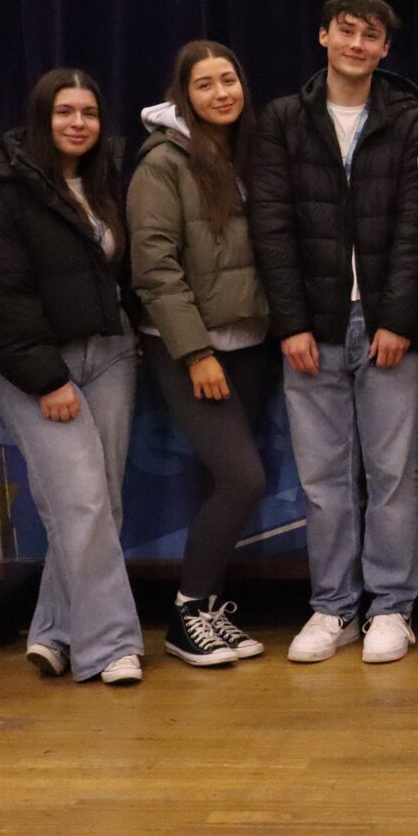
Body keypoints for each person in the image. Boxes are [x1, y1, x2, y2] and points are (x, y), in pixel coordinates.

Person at [250, 0, 418, 666]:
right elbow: (270, 227)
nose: (358, 45)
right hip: (313, 332)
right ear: (324, 36)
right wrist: (292, 322)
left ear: (385, 49)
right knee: (324, 481)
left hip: (387, 330)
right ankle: (334, 607)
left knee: (391, 475)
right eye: (347, 31)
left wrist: (398, 318)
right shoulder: (283, 121)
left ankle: (392, 607)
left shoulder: (411, 123)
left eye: (372, 36)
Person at [0, 69, 144, 686]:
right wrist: (47, 379)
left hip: (111, 357)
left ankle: (54, 632)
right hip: (39, 372)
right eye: (65, 112)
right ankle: (111, 648)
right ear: (42, 117)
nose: (78, 123)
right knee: (81, 502)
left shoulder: (104, 179)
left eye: (89, 112)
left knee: (99, 505)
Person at [129, 40, 275, 668]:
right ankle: (187, 612)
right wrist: (195, 354)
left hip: (251, 344)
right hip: (194, 351)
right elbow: (155, 268)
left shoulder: (247, 151)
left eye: (230, 80)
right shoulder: (162, 162)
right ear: (182, 94)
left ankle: (209, 609)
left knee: (226, 481)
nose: (221, 93)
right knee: (244, 478)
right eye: (206, 84)